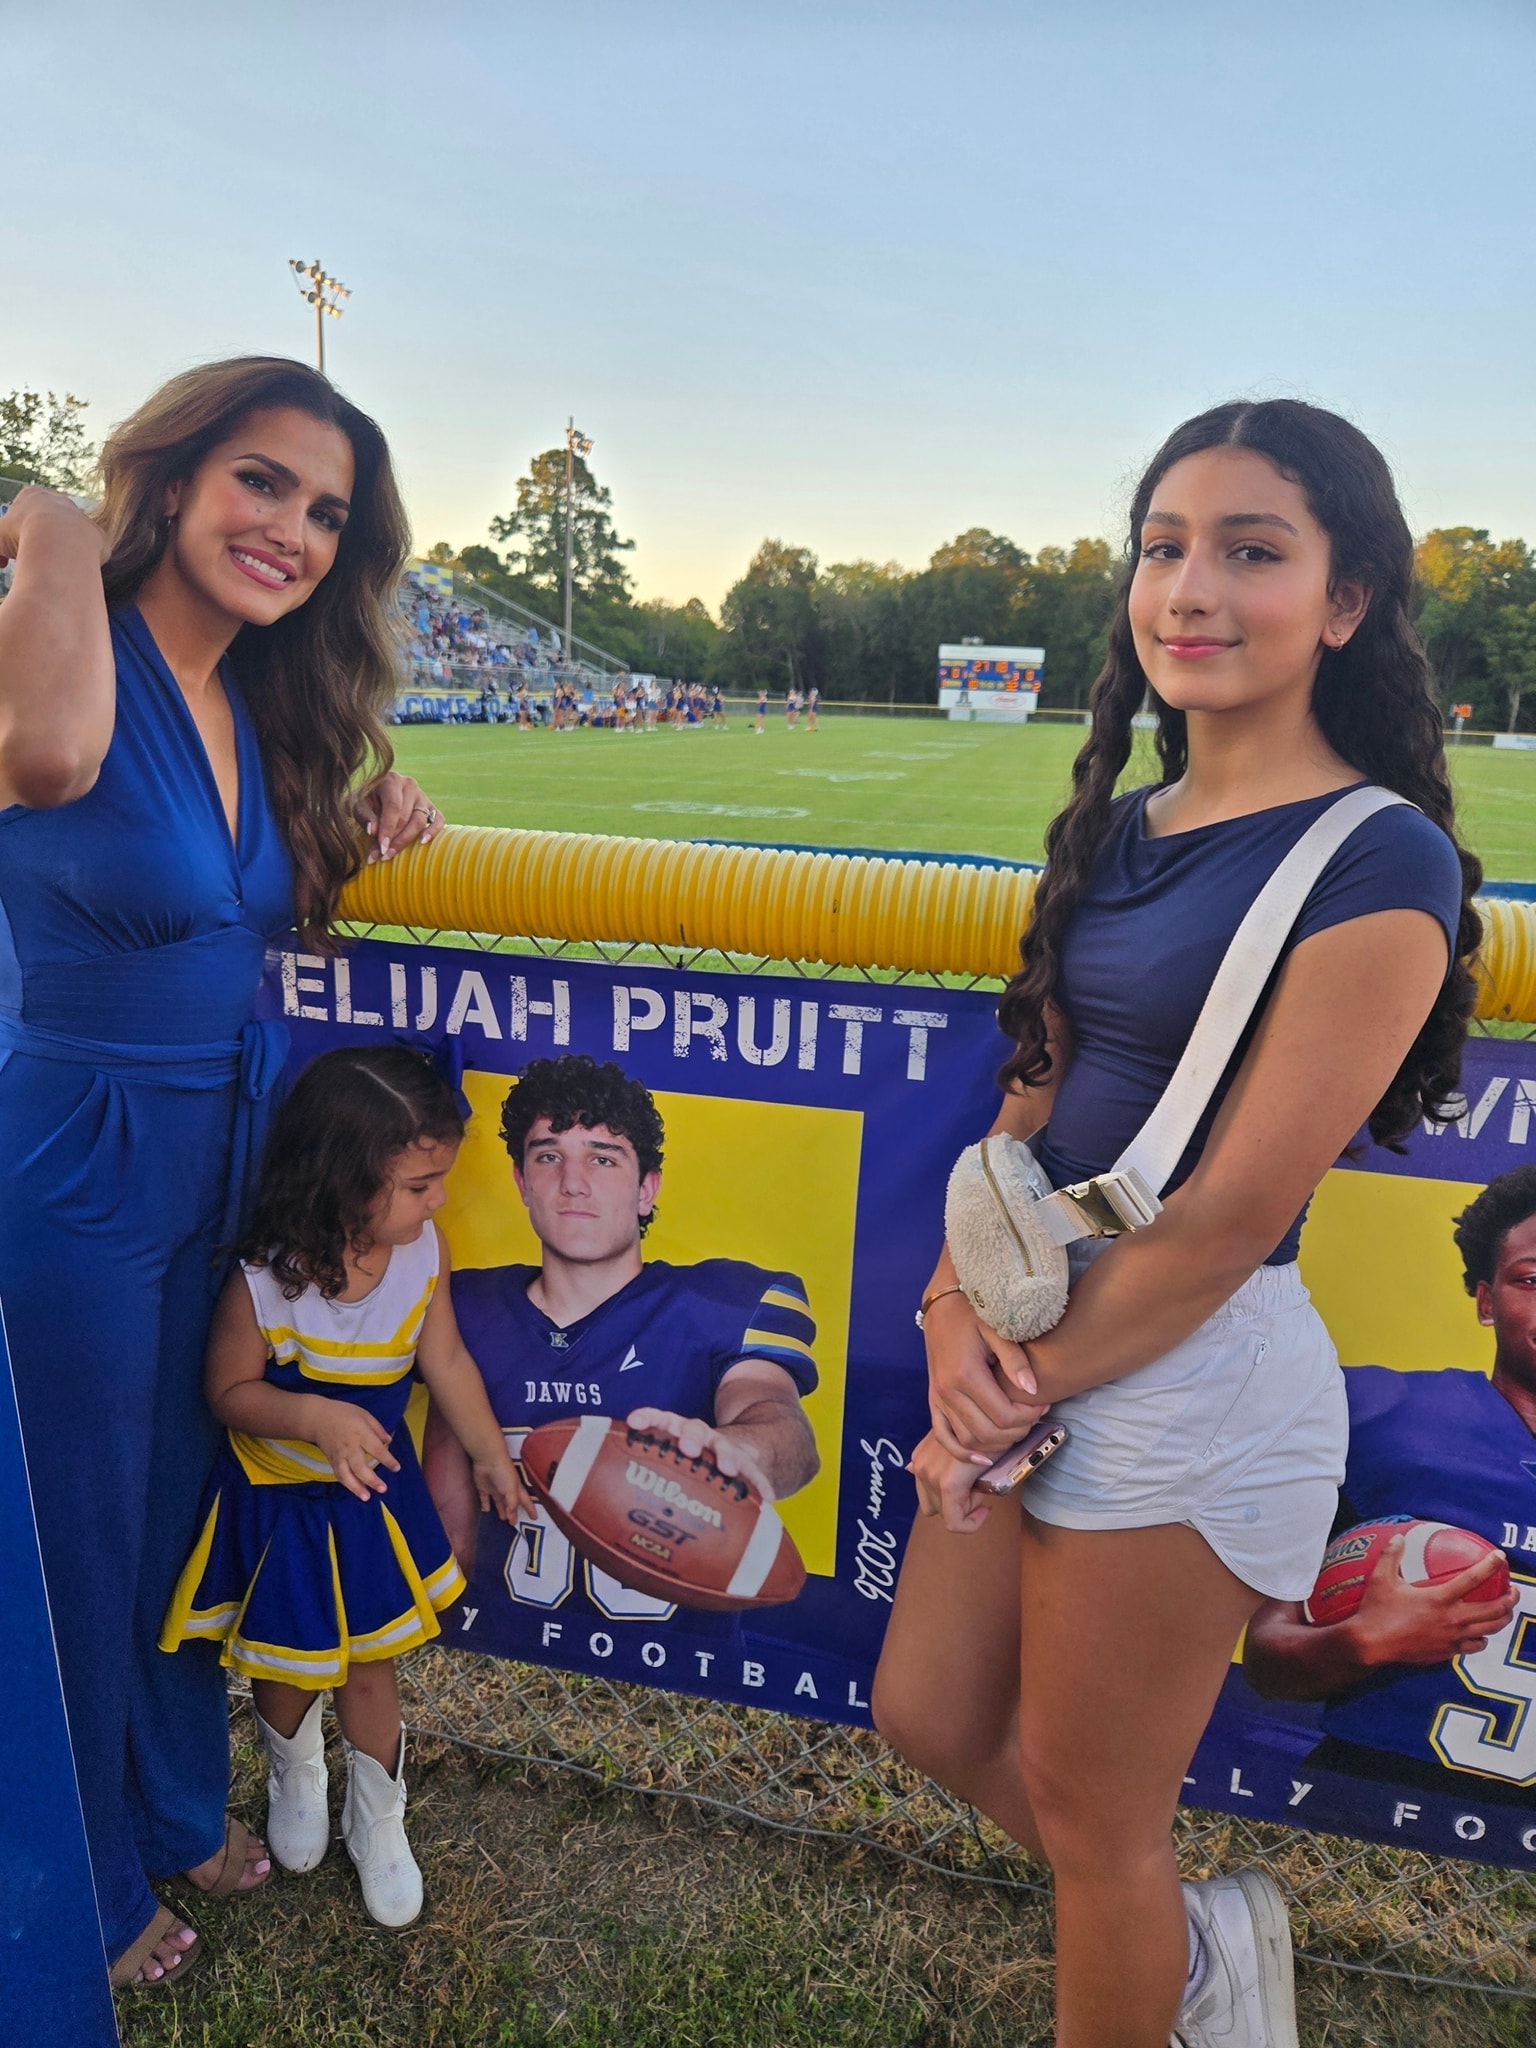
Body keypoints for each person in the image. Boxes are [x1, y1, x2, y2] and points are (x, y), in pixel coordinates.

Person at [870, 400, 1478, 2048]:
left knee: (1093, 1825)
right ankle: (1204, 1953)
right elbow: (1029, 1093)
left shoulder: (1381, 859)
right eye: (1162, 547)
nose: (1190, 588)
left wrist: (1026, 1375)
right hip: (1029, 1324)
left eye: (1250, 551)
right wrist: (949, 1315)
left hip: (1188, 1367)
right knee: (925, 1707)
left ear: (1345, 603)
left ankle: (1159, 1962)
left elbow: (1222, 1220)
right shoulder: (1125, 829)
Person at [0, 356, 444, 1990]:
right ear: (173, 478)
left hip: (227, 1142)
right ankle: (91, 1873)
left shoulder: (260, 703)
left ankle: (178, 1796)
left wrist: (364, 804)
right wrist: (48, 522)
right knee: (86, 1516)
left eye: (328, 510)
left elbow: (246, 898)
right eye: (263, 481)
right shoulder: (62, 626)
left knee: (198, 1489)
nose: (296, 530)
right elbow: (48, 770)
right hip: (82, 1145)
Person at [161, 1047, 525, 1925]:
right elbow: (228, 1391)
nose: (439, 1200)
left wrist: (487, 1452)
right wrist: (317, 1419)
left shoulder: (421, 1254)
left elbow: (444, 1361)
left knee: (371, 1666)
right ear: (339, 1184)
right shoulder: (263, 1282)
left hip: (366, 1511)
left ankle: (378, 1818)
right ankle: (294, 1770)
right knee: (284, 1665)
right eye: (420, 1184)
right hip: (278, 1506)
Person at [424, 1055, 821, 1637]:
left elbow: (779, 1421)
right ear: (521, 1183)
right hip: (505, 1639)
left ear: (646, 1188)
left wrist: (738, 1453)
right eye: (549, 1155)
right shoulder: (464, 1307)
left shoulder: (718, 1305)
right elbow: (448, 1515)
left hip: (684, 1675)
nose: (573, 1181)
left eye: (603, 1158)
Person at [1244, 1168, 1531, 1803]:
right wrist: (1360, 1642)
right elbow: (1266, 1656)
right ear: (1486, 1301)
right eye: (1532, 1280)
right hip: (1366, 1799)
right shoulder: (1383, 1414)